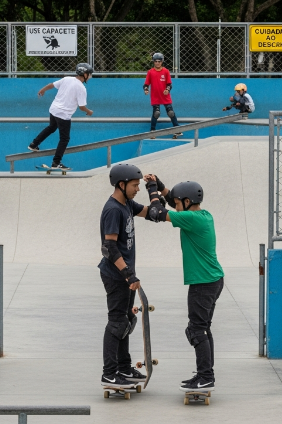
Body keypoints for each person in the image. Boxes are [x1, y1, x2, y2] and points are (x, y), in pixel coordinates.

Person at [141, 175, 223, 392]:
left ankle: (205, 376)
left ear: (187, 202)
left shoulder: (191, 219)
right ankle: (206, 374)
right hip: (211, 280)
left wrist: (151, 190)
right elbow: (171, 200)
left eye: (178, 204)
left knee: (196, 330)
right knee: (203, 329)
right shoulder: (202, 215)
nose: (175, 207)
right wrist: (160, 184)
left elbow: (157, 213)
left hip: (203, 283)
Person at [99, 164, 151, 389]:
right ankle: (109, 374)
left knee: (127, 320)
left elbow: (151, 213)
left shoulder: (127, 204)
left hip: (125, 275)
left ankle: (123, 366)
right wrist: (128, 274)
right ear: (121, 185)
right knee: (117, 322)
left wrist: (154, 189)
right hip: (116, 275)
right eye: (134, 185)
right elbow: (109, 247)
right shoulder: (113, 209)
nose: (137, 189)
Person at [28, 63, 94, 170]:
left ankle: (33, 144)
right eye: (89, 74)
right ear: (84, 74)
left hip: (54, 109)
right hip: (63, 114)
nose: (90, 77)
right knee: (64, 138)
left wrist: (43, 90)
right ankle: (56, 162)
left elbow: (52, 85)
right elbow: (82, 106)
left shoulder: (67, 79)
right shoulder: (81, 88)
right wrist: (89, 111)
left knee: (52, 127)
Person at [144, 53, 182, 136]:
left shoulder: (166, 71)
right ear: (153, 62)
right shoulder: (150, 72)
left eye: (159, 61)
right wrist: (146, 90)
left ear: (162, 62)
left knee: (170, 112)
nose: (157, 63)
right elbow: (146, 84)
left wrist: (167, 90)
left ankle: (177, 129)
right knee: (156, 113)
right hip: (155, 96)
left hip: (165, 95)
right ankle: (152, 131)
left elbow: (169, 84)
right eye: (156, 61)